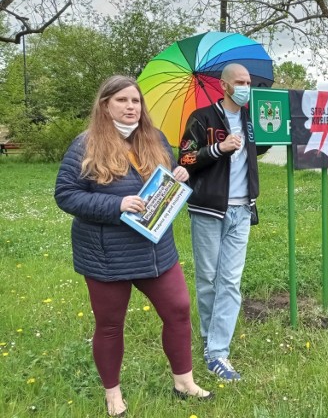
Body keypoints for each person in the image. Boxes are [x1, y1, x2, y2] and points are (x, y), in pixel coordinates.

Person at [55, 76, 211, 418]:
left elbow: (165, 178)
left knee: (179, 309)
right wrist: (116, 206)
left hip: (156, 249)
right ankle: (113, 393)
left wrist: (179, 175)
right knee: (110, 325)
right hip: (107, 253)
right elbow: (65, 195)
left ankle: (183, 381)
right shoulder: (85, 145)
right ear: (105, 105)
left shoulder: (154, 139)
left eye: (136, 101)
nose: (131, 107)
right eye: (122, 100)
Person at [178, 63, 261, 381]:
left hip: (242, 211)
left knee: (230, 282)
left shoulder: (252, 121)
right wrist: (218, 149)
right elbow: (184, 158)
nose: (245, 87)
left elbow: (261, 150)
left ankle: (217, 352)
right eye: (240, 82)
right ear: (224, 86)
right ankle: (208, 339)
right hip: (208, 210)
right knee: (209, 280)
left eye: (249, 82)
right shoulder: (202, 118)